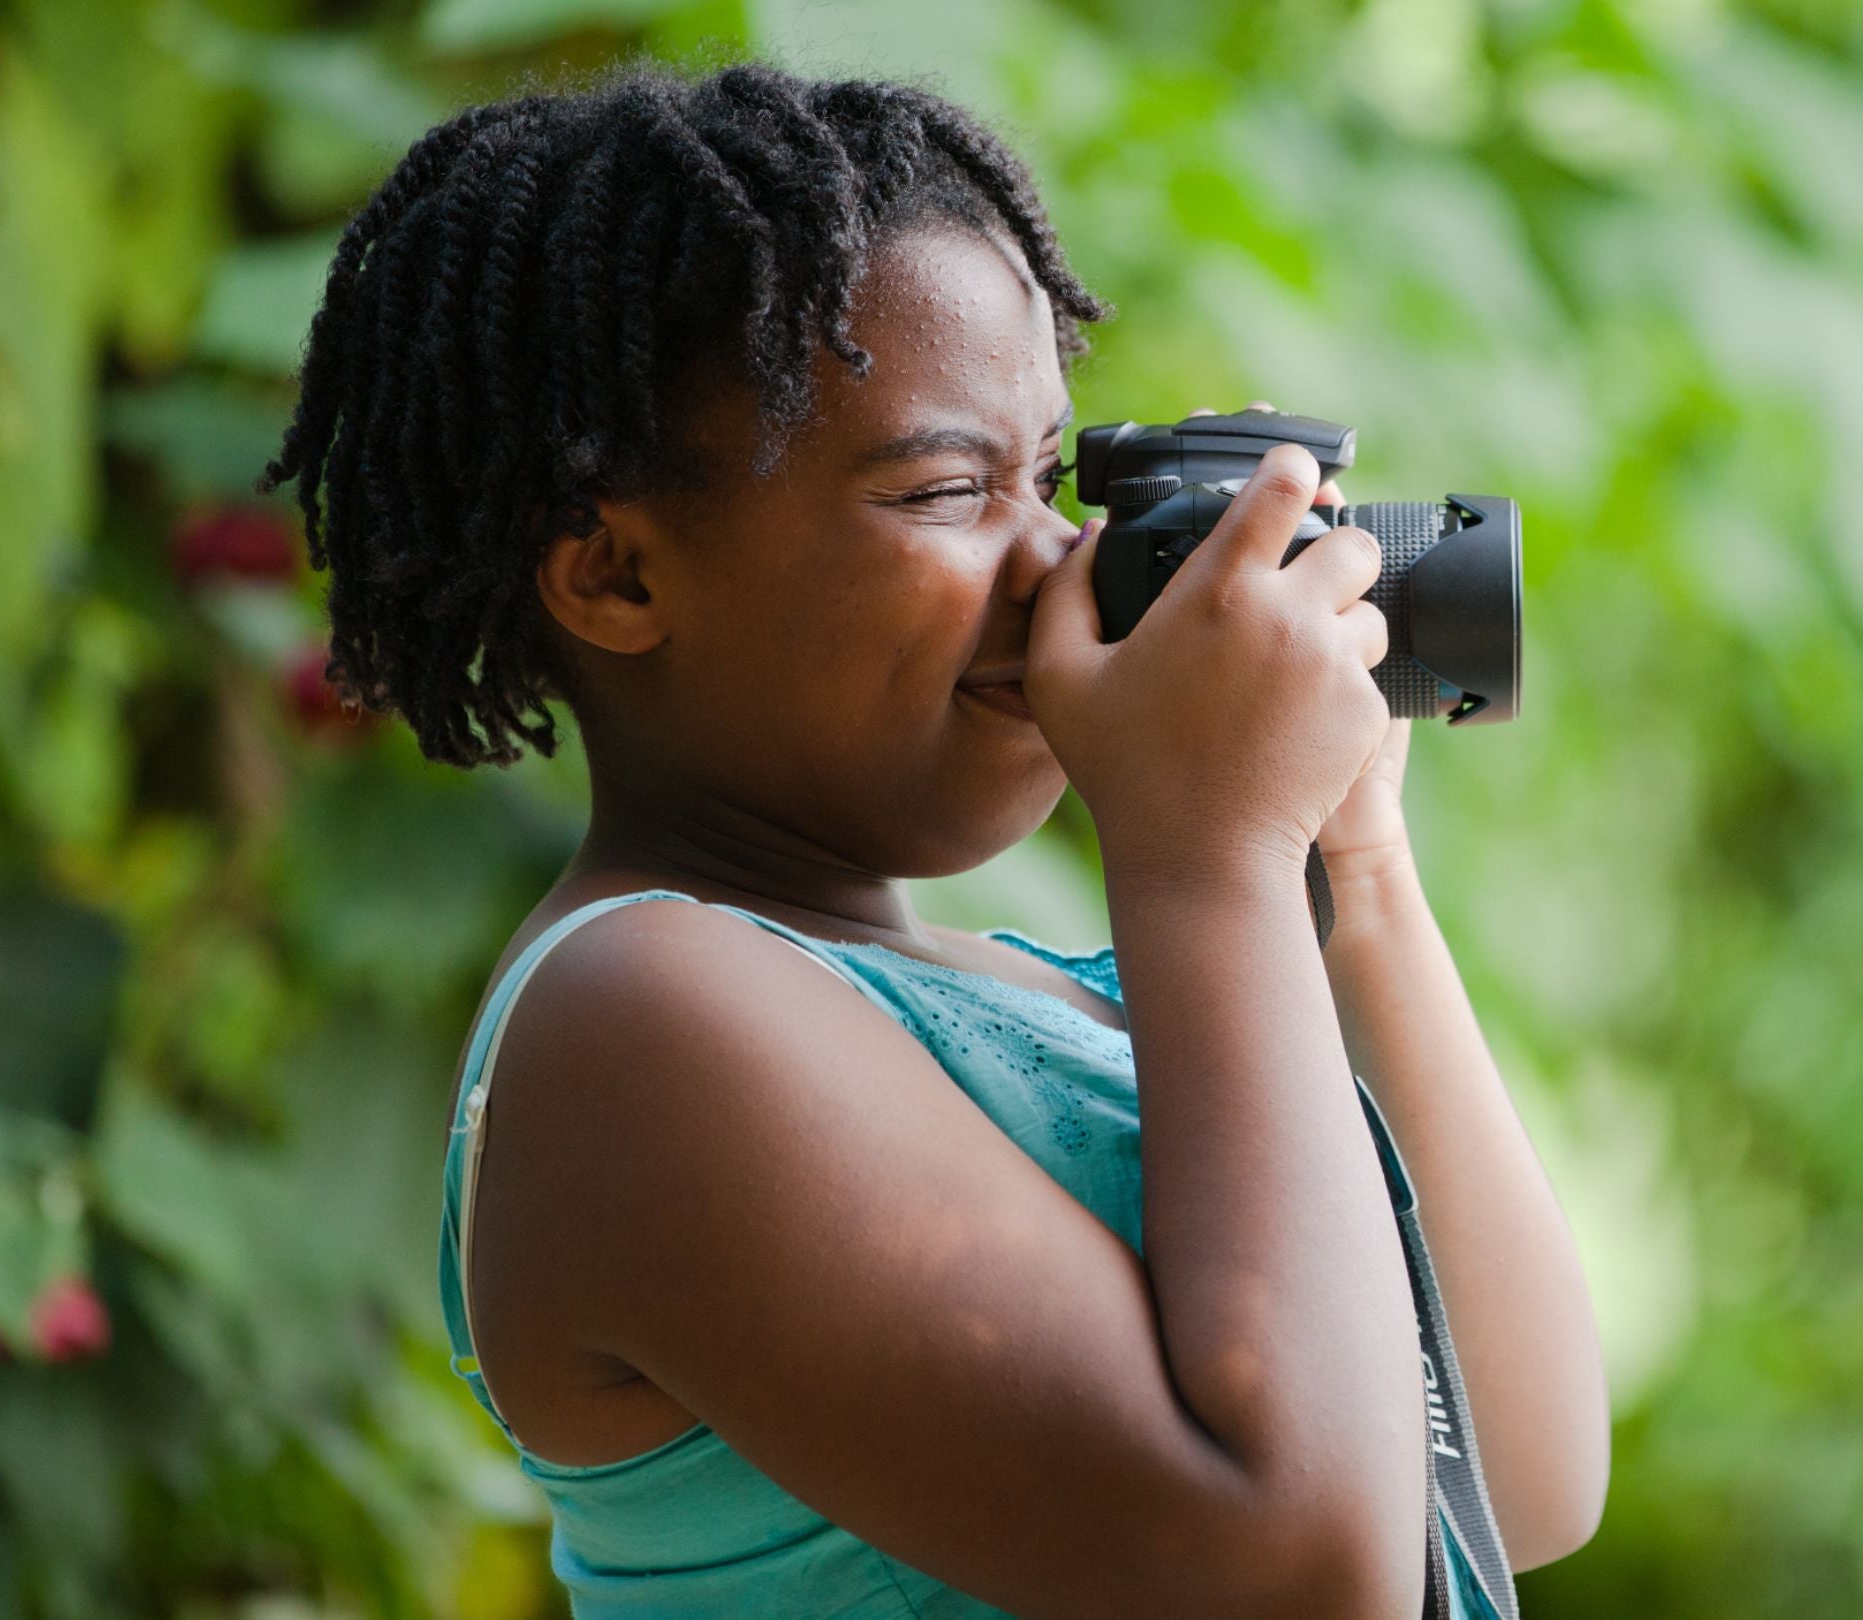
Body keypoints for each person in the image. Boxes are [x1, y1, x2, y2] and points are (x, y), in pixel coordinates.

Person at [261, 62, 1608, 1619]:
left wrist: (1344, 864)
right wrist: (1206, 859)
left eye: (1047, 476)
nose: (1052, 562)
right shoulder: (632, 1023)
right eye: (948, 488)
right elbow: (1298, 1573)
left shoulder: (1059, 995)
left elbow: (1520, 1472)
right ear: (618, 577)